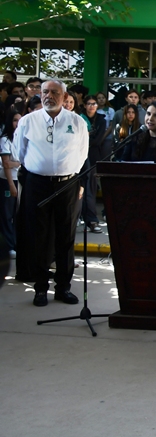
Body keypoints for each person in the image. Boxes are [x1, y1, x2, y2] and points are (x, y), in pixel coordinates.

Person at [12, 80, 88, 306]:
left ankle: (63, 288)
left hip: (67, 184)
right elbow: (19, 153)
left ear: (64, 96)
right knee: (39, 237)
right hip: (37, 184)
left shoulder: (76, 122)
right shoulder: (28, 121)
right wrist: (40, 169)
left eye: (54, 92)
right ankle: (40, 288)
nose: (48, 96)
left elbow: (82, 154)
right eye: (45, 92)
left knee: (66, 236)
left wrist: (66, 172)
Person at [80, 95, 107, 232]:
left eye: (94, 104)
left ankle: (92, 220)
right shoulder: (79, 118)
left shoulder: (101, 120)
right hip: (78, 156)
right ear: (85, 105)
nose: (92, 106)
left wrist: (85, 138)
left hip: (93, 156)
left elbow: (97, 141)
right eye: (89, 103)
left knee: (90, 189)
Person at [0, 110, 22, 259]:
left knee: (16, 214)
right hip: (8, 181)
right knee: (6, 215)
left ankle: (14, 244)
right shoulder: (5, 140)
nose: (17, 123)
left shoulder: (20, 138)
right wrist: (11, 185)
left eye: (20, 120)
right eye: (15, 120)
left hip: (19, 179)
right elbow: (6, 164)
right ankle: (8, 246)